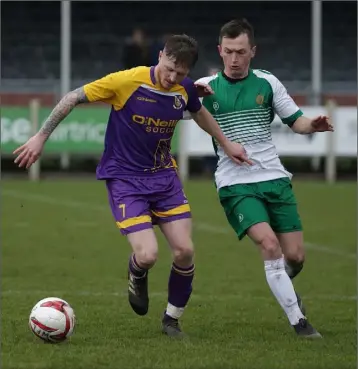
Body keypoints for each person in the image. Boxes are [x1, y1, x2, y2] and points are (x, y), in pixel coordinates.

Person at [13, 34, 251, 338]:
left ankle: (171, 320)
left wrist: (227, 143)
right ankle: (137, 271)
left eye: (181, 73)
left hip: (164, 179)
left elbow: (198, 111)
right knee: (148, 255)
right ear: (161, 55)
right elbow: (73, 97)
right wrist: (41, 136)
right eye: (169, 68)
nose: (172, 78)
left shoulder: (185, 87)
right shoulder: (126, 81)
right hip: (125, 179)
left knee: (185, 251)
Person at [192, 19, 334, 338]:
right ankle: (300, 322)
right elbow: (170, 108)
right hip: (236, 184)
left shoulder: (268, 83)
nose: (234, 58)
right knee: (269, 245)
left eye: (241, 51)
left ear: (252, 51)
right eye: (228, 52)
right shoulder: (204, 87)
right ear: (220, 50)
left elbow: (295, 121)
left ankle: (284, 283)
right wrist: (184, 94)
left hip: (275, 178)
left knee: (295, 256)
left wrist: (313, 124)